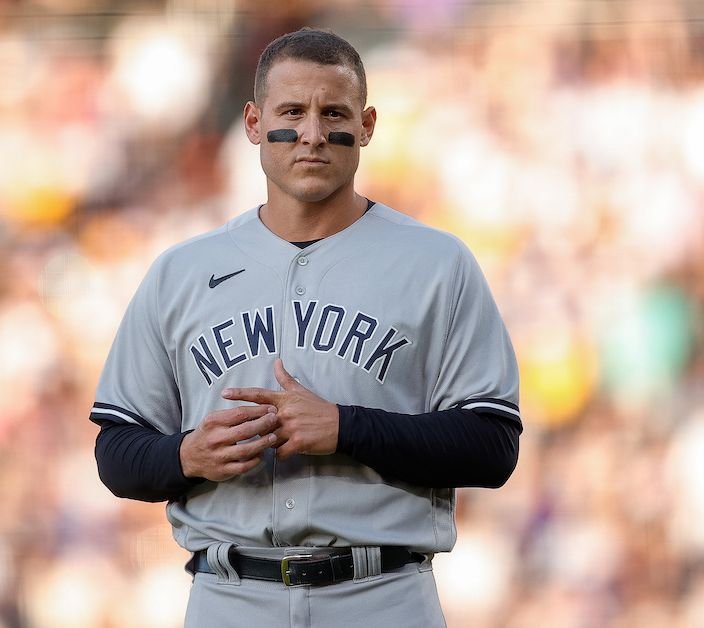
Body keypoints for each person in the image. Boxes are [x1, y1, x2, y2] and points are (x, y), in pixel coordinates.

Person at [88, 27, 522, 627]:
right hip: (230, 593)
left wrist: (347, 428)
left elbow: (492, 445)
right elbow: (116, 451)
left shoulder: (437, 263)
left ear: (367, 125)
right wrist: (187, 454)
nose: (313, 134)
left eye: (334, 113)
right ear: (252, 122)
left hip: (381, 593)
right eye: (292, 112)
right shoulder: (182, 271)